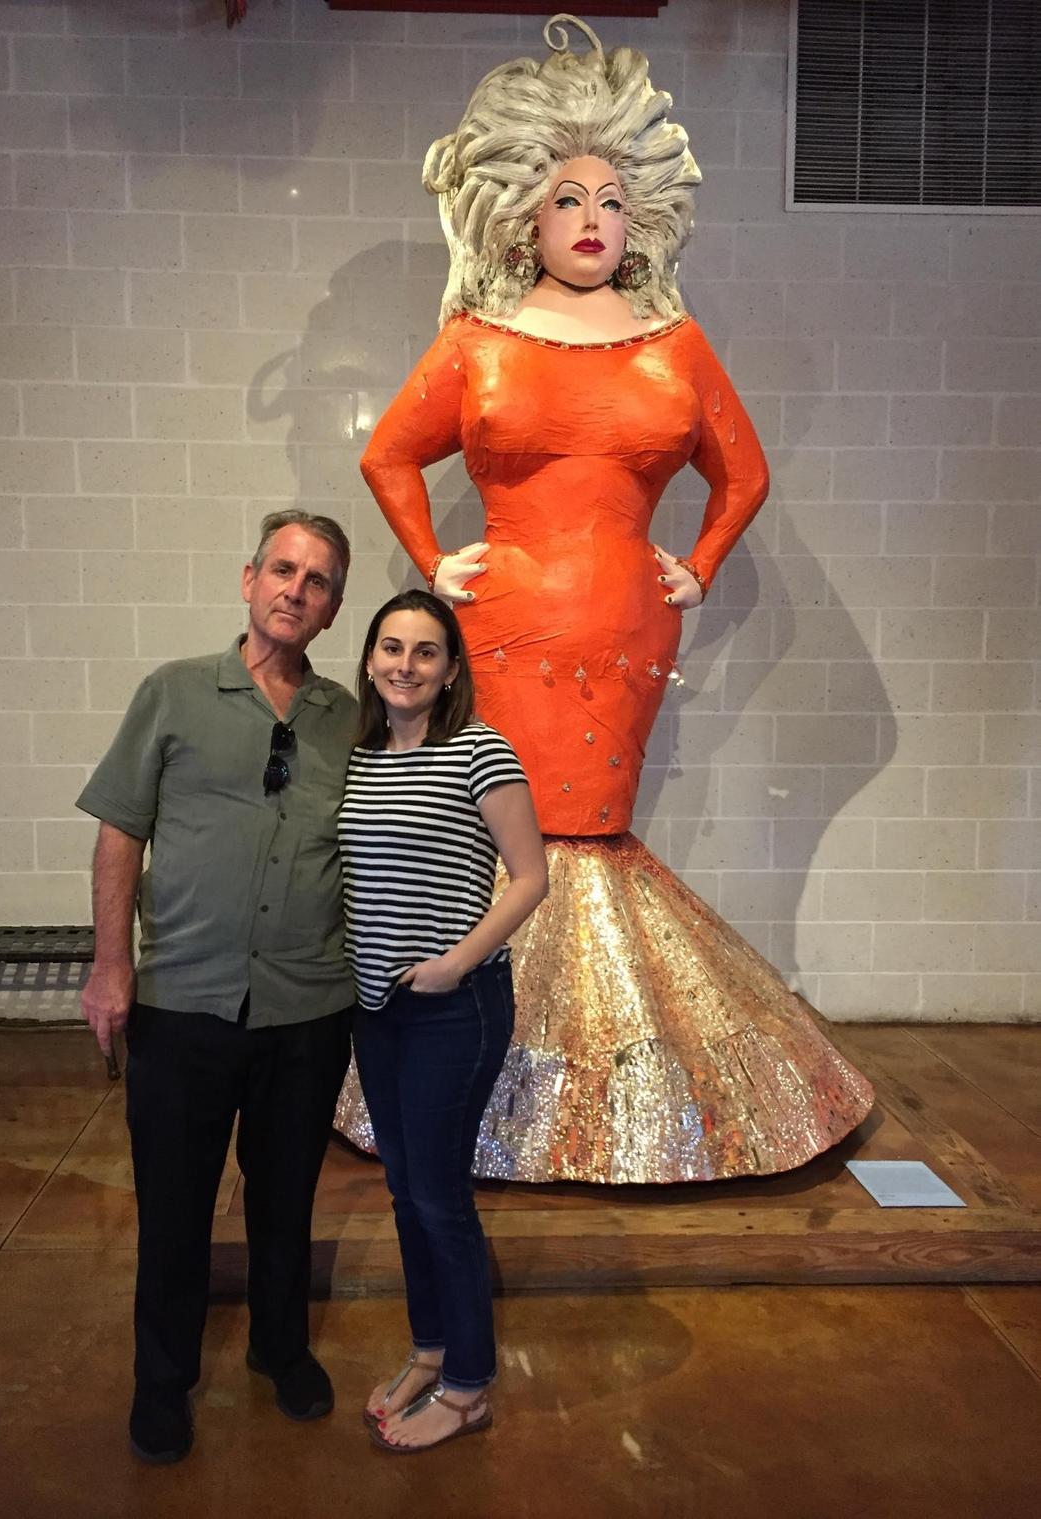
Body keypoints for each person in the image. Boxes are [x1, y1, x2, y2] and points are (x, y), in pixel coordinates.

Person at [334, 15, 874, 1184]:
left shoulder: (674, 342)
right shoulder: (477, 336)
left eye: (612, 201)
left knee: (588, 828)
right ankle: (484, 1072)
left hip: (627, 622)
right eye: (569, 198)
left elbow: (745, 470)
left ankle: (606, 1084)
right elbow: (387, 454)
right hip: (504, 621)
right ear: (526, 211)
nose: (591, 219)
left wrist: (702, 565)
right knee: (508, 828)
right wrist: (438, 560)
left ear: (641, 221)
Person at [77, 509, 357, 1464]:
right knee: (175, 1202)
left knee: (287, 1195)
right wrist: (113, 963)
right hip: (183, 1001)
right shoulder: (175, 693)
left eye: (317, 581)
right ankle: (163, 1378)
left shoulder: (346, 720)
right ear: (248, 580)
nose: (295, 589)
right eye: (283, 568)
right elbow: (121, 828)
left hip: (308, 1007)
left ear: (331, 609)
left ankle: (281, 1349)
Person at [338, 589, 548, 1452]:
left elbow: (532, 876)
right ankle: (431, 1347)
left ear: (451, 668)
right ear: (369, 659)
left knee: (438, 1193)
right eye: (391, 647)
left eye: (426, 652)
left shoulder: (479, 752)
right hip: (376, 1008)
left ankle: (469, 1386)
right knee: (402, 1189)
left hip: (453, 1008)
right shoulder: (356, 757)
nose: (405, 665)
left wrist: (459, 960)